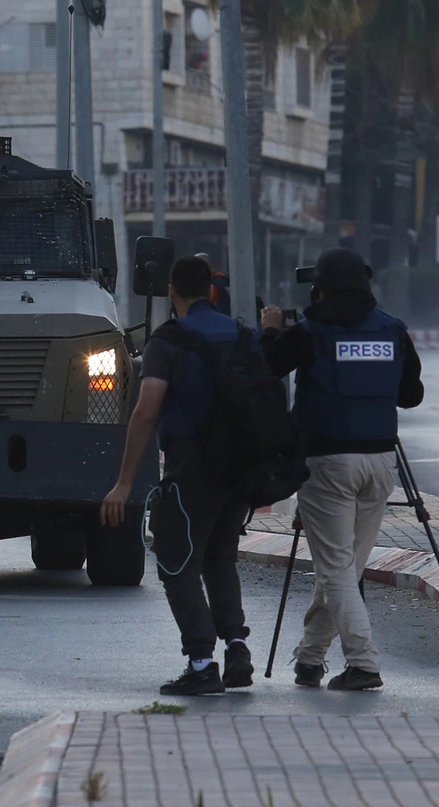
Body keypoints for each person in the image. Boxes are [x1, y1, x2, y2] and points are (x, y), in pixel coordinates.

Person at [260, 248, 424, 691]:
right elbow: (411, 396)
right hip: (381, 463)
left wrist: (270, 332)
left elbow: (264, 371)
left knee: (335, 568)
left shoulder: (310, 332)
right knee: (344, 569)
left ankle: (364, 664)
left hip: (328, 463)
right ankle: (311, 659)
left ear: (321, 290)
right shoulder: (394, 331)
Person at [101, 256, 253, 696]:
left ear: (171, 293)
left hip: (192, 469)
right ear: (210, 292)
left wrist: (125, 481)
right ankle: (237, 646)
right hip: (240, 471)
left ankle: (202, 662)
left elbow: (146, 412)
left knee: (176, 562)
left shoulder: (166, 342)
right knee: (220, 558)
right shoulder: (243, 335)